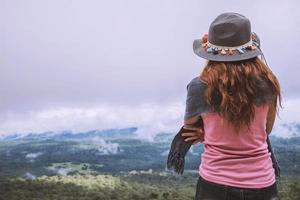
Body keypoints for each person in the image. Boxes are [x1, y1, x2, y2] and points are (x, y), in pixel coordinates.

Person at [181, 13, 282, 200]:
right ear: (250, 49)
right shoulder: (268, 84)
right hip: (263, 183)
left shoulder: (199, 86)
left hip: (214, 183)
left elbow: (189, 128)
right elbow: (264, 130)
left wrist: (205, 133)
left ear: (211, 52)